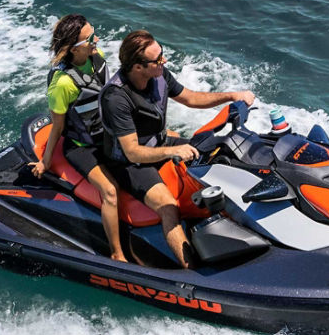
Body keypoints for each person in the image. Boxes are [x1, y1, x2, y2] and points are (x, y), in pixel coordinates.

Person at [98, 30, 254, 268]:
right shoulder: (116, 98)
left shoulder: (159, 75)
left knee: (218, 155)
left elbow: (191, 98)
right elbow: (132, 152)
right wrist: (173, 151)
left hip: (159, 144)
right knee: (169, 207)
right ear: (138, 67)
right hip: (129, 164)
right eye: (157, 59)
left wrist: (232, 96)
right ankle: (190, 271)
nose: (164, 61)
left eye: (162, 54)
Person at [28, 14, 127, 262]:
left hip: (107, 135)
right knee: (110, 192)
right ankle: (117, 254)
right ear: (73, 48)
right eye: (90, 38)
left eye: (95, 34)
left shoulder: (97, 58)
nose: (97, 40)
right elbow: (57, 127)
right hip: (82, 147)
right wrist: (46, 162)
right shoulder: (62, 84)